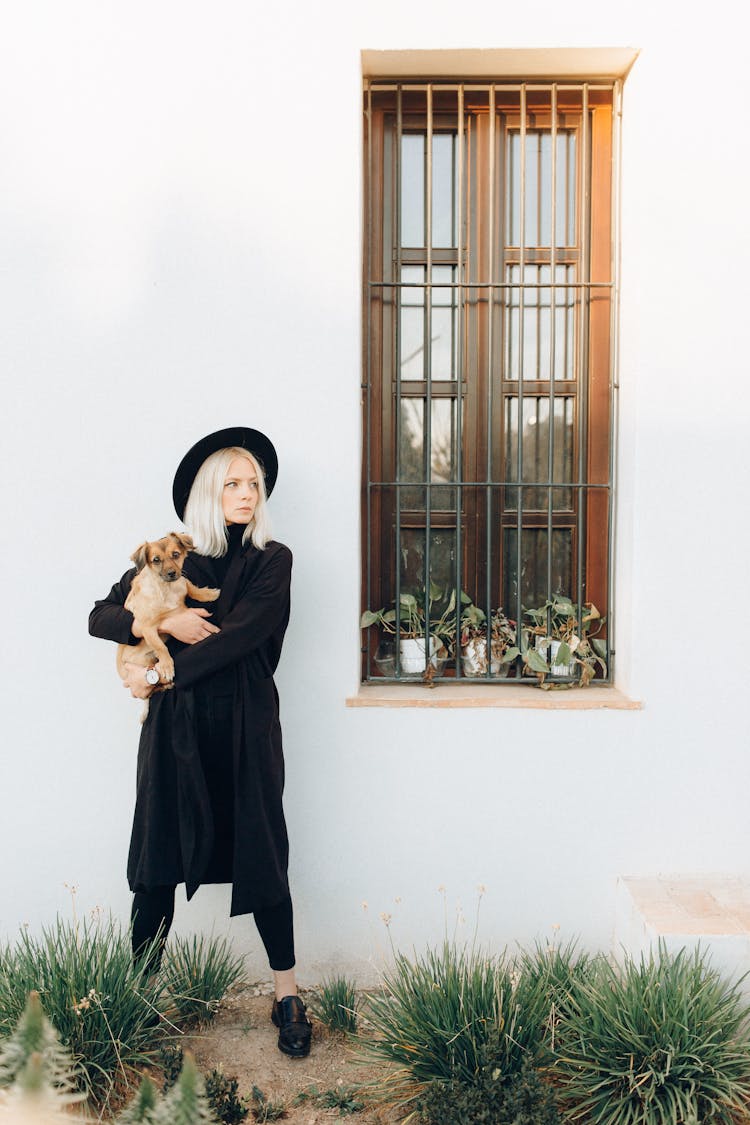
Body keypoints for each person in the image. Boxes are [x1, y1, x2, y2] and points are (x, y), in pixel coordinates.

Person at [88, 426, 311, 1058]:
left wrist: (158, 667)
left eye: (254, 484)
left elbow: (242, 635)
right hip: (176, 731)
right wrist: (153, 623)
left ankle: (287, 993)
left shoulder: (273, 560)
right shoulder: (172, 560)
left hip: (246, 723)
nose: (247, 494)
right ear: (208, 494)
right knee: (157, 857)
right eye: (233, 483)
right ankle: (136, 996)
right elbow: (100, 616)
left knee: (263, 847)